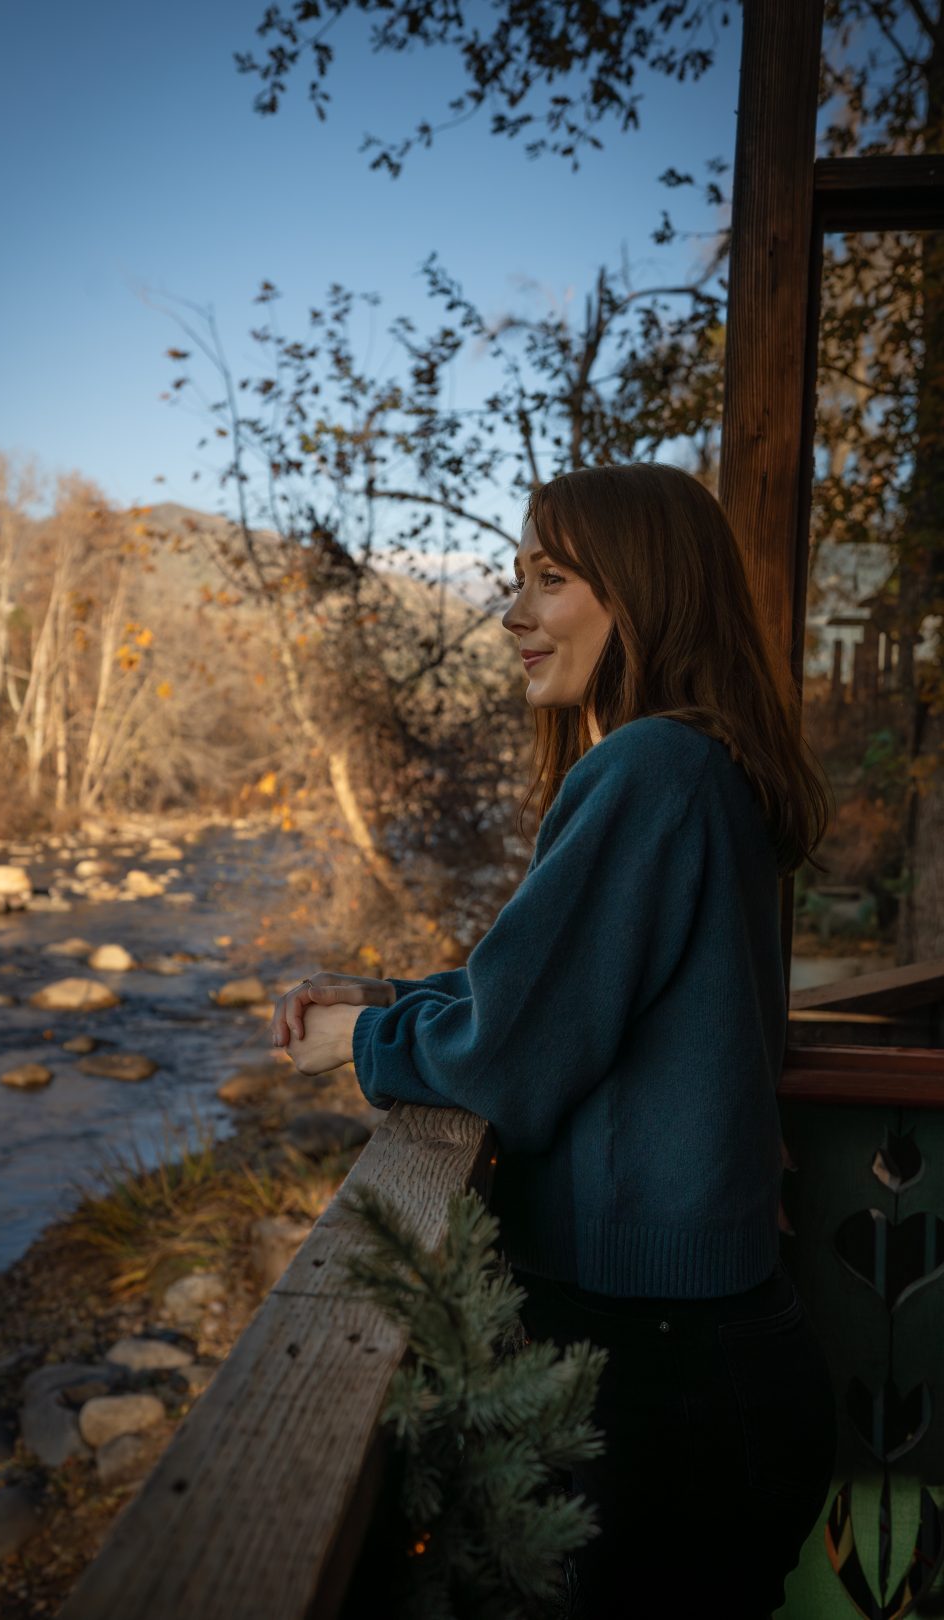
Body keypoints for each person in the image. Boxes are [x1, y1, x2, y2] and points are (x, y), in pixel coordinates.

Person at [268, 463, 839, 1619]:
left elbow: (511, 1057)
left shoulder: (650, 767)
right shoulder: (700, 767)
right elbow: (571, 988)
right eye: (515, 580)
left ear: (645, 592)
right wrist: (392, 987)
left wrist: (363, 1040)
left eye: (552, 580)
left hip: (665, 1372)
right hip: (716, 1357)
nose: (515, 614)